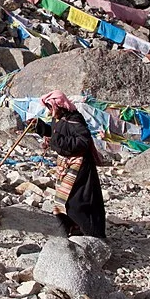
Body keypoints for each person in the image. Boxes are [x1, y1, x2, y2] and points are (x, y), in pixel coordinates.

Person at [41, 90, 106, 238]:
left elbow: (83, 141)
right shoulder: (58, 119)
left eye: (51, 107)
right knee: (61, 200)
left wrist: (57, 142)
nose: (50, 111)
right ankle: (72, 228)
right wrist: (39, 127)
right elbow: (54, 133)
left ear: (59, 106)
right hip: (66, 165)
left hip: (80, 166)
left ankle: (91, 233)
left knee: (77, 202)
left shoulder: (74, 119)